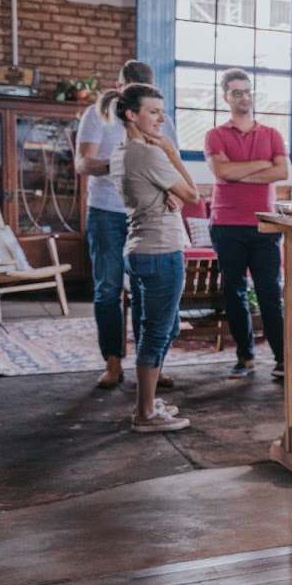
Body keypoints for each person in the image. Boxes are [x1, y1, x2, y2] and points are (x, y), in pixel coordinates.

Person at [77, 60, 179, 391]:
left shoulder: (162, 120)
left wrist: (171, 193)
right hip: (106, 213)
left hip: (146, 213)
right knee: (107, 289)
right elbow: (82, 162)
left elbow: (170, 163)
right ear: (119, 88)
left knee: (144, 292)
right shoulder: (97, 114)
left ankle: (151, 366)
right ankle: (113, 363)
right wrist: (120, 164)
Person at [105, 83, 199, 433]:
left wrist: (167, 194)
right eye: (154, 111)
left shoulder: (122, 151)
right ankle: (144, 412)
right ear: (132, 114)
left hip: (140, 248)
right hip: (160, 250)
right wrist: (172, 154)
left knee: (164, 327)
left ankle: (148, 402)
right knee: (157, 332)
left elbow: (171, 196)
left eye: (162, 110)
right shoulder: (149, 153)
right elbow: (191, 194)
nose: (162, 118)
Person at [204, 69, 292, 382]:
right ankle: (244, 358)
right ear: (225, 97)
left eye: (247, 91)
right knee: (234, 293)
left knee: (270, 293)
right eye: (236, 92)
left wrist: (237, 172)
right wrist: (262, 165)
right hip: (226, 224)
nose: (244, 97)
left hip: (264, 225)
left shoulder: (272, 134)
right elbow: (221, 171)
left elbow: (282, 172)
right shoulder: (215, 135)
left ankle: (283, 361)